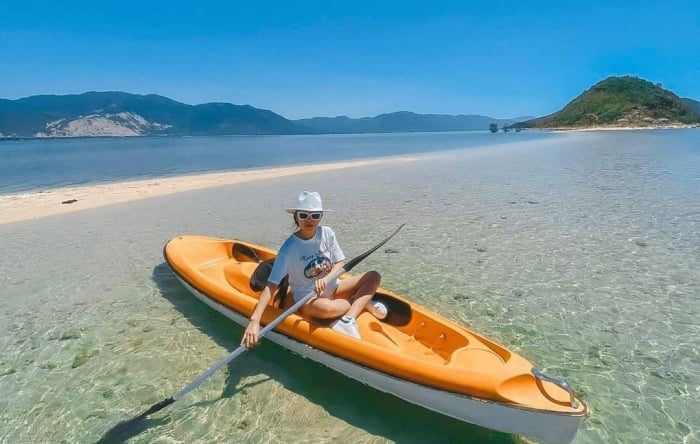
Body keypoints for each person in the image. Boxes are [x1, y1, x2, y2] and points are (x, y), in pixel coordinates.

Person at [242, 191, 385, 348]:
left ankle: (348, 318)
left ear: (320, 217)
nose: (309, 220)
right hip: (308, 299)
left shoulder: (327, 233)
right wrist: (254, 321)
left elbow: (339, 261)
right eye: (304, 215)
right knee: (327, 308)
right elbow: (271, 285)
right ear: (296, 217)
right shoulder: (289, 248)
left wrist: (326, 278)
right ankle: (360, 301)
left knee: (373, 276)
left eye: (315, 215)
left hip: (334, 287)